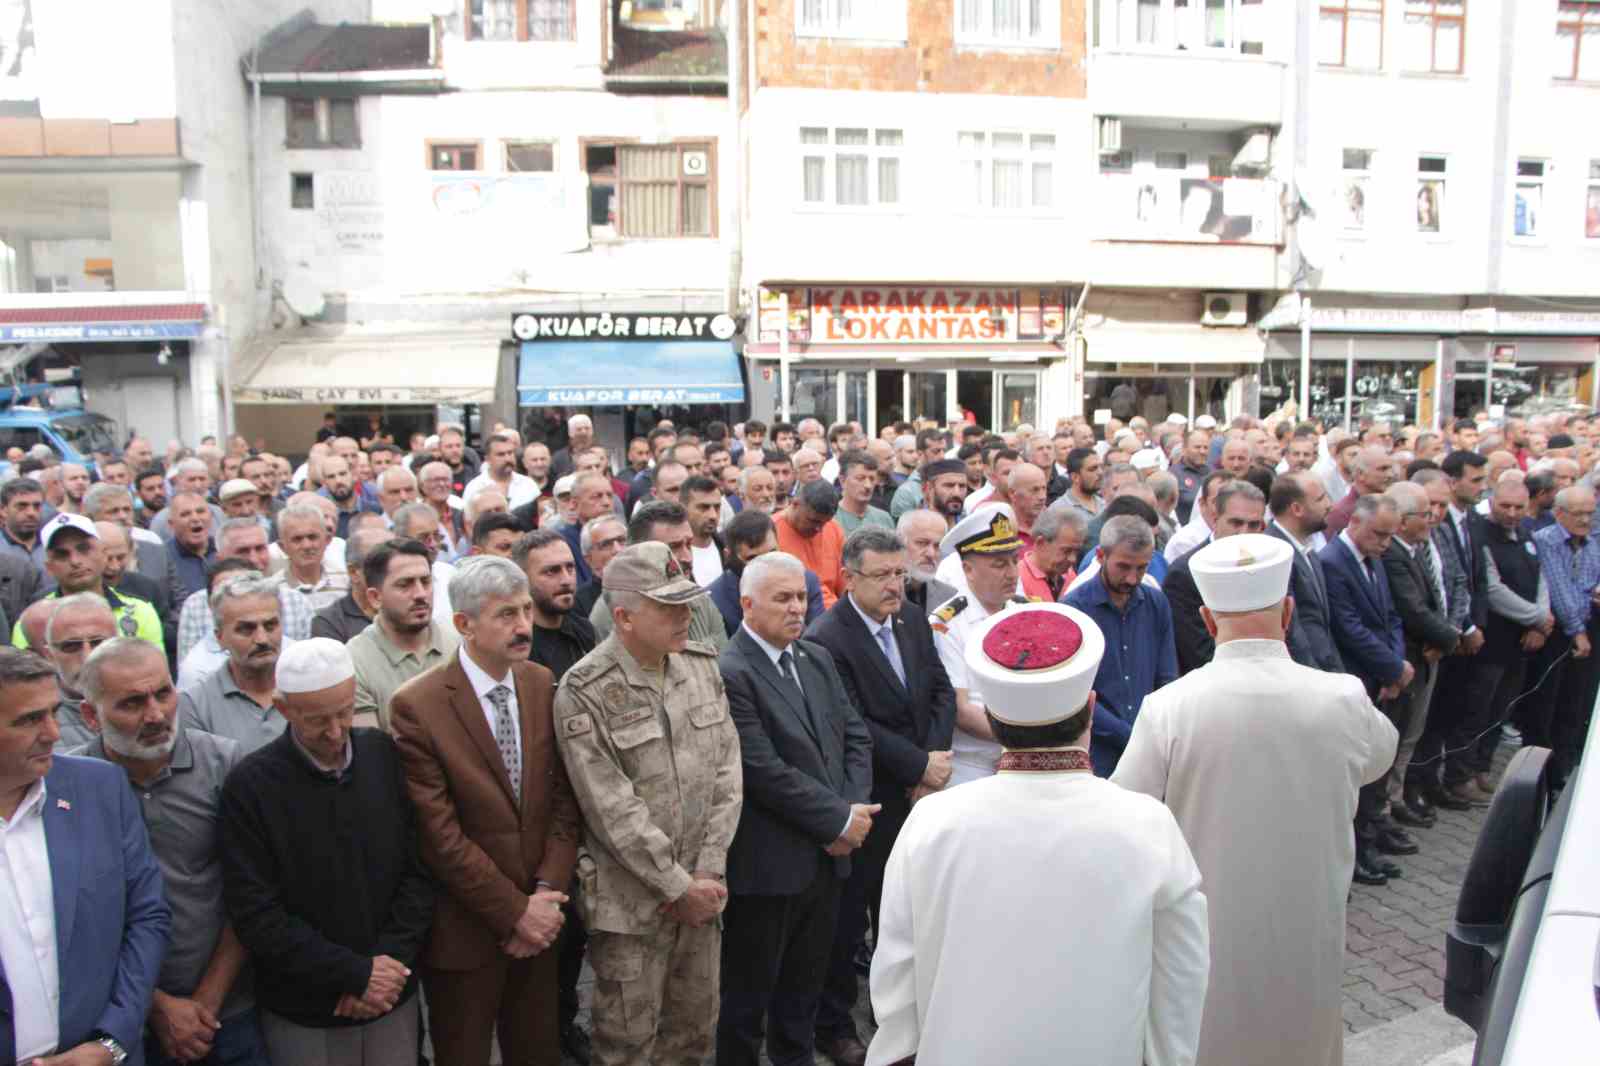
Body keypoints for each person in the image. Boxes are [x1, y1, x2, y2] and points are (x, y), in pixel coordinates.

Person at [866, 602, 1209, 1066]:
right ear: (1090, 708)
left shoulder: (932, 823)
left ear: (995, 719)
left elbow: (895, 983)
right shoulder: (1147, 824)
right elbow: (1180, 982)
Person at [1114, 534, 1397, 1066]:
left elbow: (1125, 809)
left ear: (1208, 619)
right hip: (1308, 920)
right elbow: (1379, 757)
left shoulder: (1169, 708)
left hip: (1206, 929)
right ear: (1288, 612)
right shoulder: (1341, 696)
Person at [553, 542, 743, 1066]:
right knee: (627, 1046)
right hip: (632, 906)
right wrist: (677, 885)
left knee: (692, 1038)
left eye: (687, 603)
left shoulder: (700, 666)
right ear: (624, 617)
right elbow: (610, 807)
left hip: (705, 894)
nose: (686, 616)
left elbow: (728, 770)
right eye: (669, 607)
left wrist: (708, 870)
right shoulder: (584, 689)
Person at [387, 556, 580, 1066]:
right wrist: (515, 913)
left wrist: (545, 897)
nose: (523, 626)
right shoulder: (418, 706)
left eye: (524, 610)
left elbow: (564, 799)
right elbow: (439, 836)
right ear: (463, 625)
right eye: (505, 615)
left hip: (543, 922)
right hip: (467, 933)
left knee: (538, 1052)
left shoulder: (541, 683)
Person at [219, 638, 435, 1064]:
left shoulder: (382, 754)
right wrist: (354, 975)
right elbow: (257, 913)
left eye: (343, 712)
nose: (335, 731)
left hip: (392, 991)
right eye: (316, 720)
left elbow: (419, 870)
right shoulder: (251, 786)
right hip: (307, 1009)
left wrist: (385, 967)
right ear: (283, 709)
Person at [74, 638, 269, 1066]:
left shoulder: (224, 765)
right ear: (90, 715)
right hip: (119, 1022)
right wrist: (155, 1005)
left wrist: (205, 1003)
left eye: (163, 693)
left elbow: (252, 892)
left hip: (225, 1013)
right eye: (131, 703)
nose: (156, 715)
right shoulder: (71, 788)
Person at [804, 528, 955, 1065]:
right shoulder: (828, 638)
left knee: (909, 910)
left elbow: (938, 688)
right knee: (851, 917)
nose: (896, 586)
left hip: (922, 790)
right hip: (870, 796)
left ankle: (904, 1010)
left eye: (900, 573)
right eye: (883, 576)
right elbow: (853, 722)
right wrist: (916, 765)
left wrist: (932, 761)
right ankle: (834, 1022)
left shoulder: (912, 618)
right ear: (850, 577)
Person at [717, 552, 874, 1066]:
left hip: (827, 861)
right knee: (748, 999)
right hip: (769, 865)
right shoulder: (732, 670)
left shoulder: (815, 658)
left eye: (802, 597)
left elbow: (854, 735)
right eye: (782, 598)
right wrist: (836, 820)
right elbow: (759, 768)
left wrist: (850, 812)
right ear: (747, 604)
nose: (796, 608)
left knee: (803, 994)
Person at [0, 646, 172, 1066]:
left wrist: (110, 1044)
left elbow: (147, 917)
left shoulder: (99, 789)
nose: (54, 733)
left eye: (53, 712)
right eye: (29, 720)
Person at [1064, 515, 1178, 777]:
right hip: (1097, 752)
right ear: (1101, 556)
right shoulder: (1075, 609)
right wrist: (1130, 736)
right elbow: (1078, 693)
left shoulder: (1156, 603)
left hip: (1151, 748)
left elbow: (1167, 677)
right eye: (1123, 567)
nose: (1131, 578)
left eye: (1141, 568)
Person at [928, 506, 1025, 786]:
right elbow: (962, 710)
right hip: (971, 766)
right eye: (999, 564)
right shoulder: (947, 624)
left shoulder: (1024, 612)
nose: (1011, 573)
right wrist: (1024, 738)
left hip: (1022, 759)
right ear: (968, 569)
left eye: (1014, 561)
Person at [348, 538, 458, 731]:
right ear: (375, 597)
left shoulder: (461, 643)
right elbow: (371, 750)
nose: (420, 594)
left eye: (425, 581)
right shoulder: (354, 662)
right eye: (405, 585)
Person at [590, 502, 730, 651]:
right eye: (673, 548)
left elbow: (721, 664)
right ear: (639, 551)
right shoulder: (611, 612)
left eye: (688, 544)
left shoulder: (700, 599)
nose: (687, 558)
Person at [1532, 485, 1600, 787]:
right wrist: (1578, 631)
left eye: (1590, 513)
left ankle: (1565, 769)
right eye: (1579, 514)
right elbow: (1560, 591)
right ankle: (1542, 772)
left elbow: (1588, 582)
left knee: (1576, 704)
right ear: (1559, 514)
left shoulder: (1590, 542)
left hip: (1585, 628)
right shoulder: (1547, 541)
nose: (1586, 520)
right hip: (1558, 634)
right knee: (1547, 706)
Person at [15, 513, 165, 650]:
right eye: (62, 554)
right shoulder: (32, 620)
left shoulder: (139, 612)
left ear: (103, 554)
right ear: (49, 567)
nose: (75, 561)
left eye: (84, 549)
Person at [1162, 481, 1267, 675]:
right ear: (1215, 519)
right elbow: (1197, 652)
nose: (1244, 532)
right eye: (1236, 523)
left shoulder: (1268, 564)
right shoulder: (1186, 573)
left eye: (1253, 525)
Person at [175, 520, 313, 662]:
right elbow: (189, 669)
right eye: (242, 551)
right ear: (220, 558)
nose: (253, 559)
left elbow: (307, 664)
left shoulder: (297, 603)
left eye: (260, 549)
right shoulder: (196, 606)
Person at [180, 574, 288, 755]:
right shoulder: (196, 705)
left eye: (270, 625)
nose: (262, 639)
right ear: (219, 637)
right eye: (246, 629)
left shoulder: (308, 687)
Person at [707, 509, 826, 638]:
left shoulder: (806, 582)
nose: (767, 566)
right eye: (753, 559)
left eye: (772, 554)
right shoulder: (714, 601)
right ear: (728, 555)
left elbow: (817, 640)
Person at [1267, 472, 1343, 672]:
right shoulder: (1275, 555)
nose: (1329, 505)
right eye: (1320, 499)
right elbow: (1293, 631)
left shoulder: (1307, 549)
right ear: (1297, 509)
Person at [38, 593, 120, 750]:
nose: (87, 656)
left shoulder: (155, 701)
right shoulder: (32, 720)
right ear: (49, 656)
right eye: (71, 646)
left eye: (99, 644)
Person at [311, 527, 392, 644]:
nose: (395, 570)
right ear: (353, 572)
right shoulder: (330, 623)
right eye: (381, 564)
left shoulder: (410, 608)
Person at [775, 480, 846, 608]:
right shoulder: (771, 532)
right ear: (795, 504)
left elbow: (845, 586)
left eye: (824, 522)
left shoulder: (834, 529)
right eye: (813, 521)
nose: (819, 529)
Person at [1018, 504, 1087, 602]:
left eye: (1076, 551)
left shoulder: (1070, 577)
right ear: (1041, 543)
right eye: (1066, 551)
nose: (1073, 559)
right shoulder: (1018, 581)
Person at [575, 515, 628, 619]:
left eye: (622, 540)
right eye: (606, 544)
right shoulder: (579, 604)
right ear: (588, 559)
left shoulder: (650, 582)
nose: (617, 550)